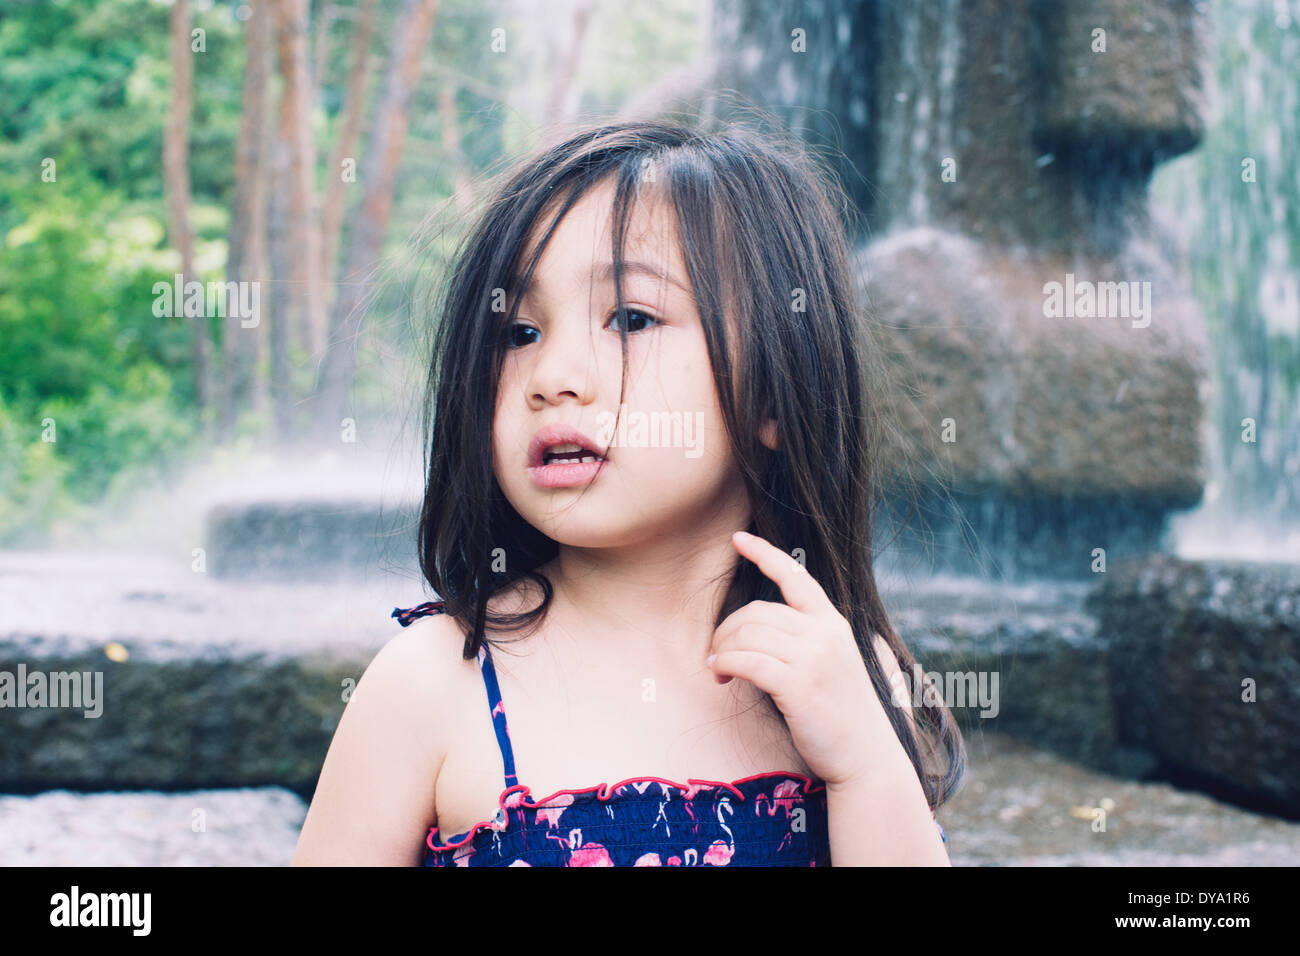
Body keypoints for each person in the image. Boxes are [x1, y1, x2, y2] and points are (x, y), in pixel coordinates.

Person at [292, 120, 964, 866]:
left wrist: (866, 765)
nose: (553, 377)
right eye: (519, 332)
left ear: (775, 394)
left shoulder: (835, 674)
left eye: (633, 318)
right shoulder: (434, 681)